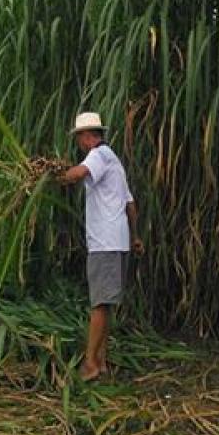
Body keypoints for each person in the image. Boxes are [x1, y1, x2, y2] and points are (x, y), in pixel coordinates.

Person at [60, 111, 144, 382]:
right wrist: (135, 237)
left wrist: (55, 176)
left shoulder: (98, 154)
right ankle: (102, 362)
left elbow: (79, 173)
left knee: (99, 304)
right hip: (117, 242)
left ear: (86, 136)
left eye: (79, 138)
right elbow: (131, 205)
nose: (79, 143)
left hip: (104, 243)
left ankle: (90, 365)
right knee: (106, 304)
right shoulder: (115, 161)